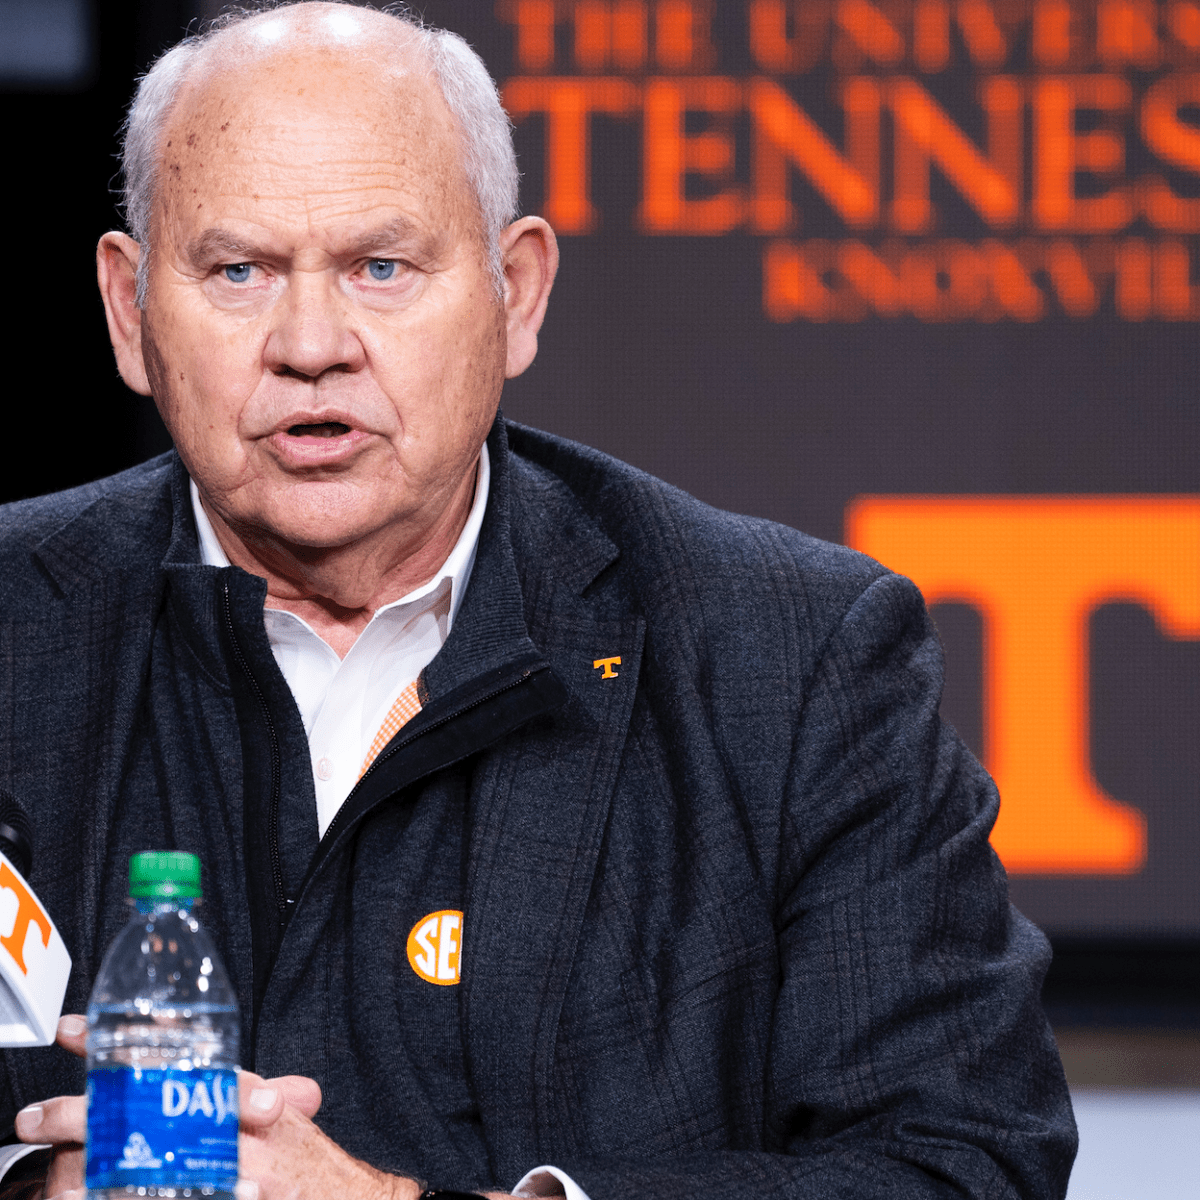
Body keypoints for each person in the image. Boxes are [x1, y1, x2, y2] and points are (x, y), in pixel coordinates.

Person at [0, 3, 1075, 1198]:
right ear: (129, 312)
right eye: (238, 270)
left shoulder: (797, 657)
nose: (311, 343)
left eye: (381, 267)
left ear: (517, 294)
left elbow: (962, 1164)